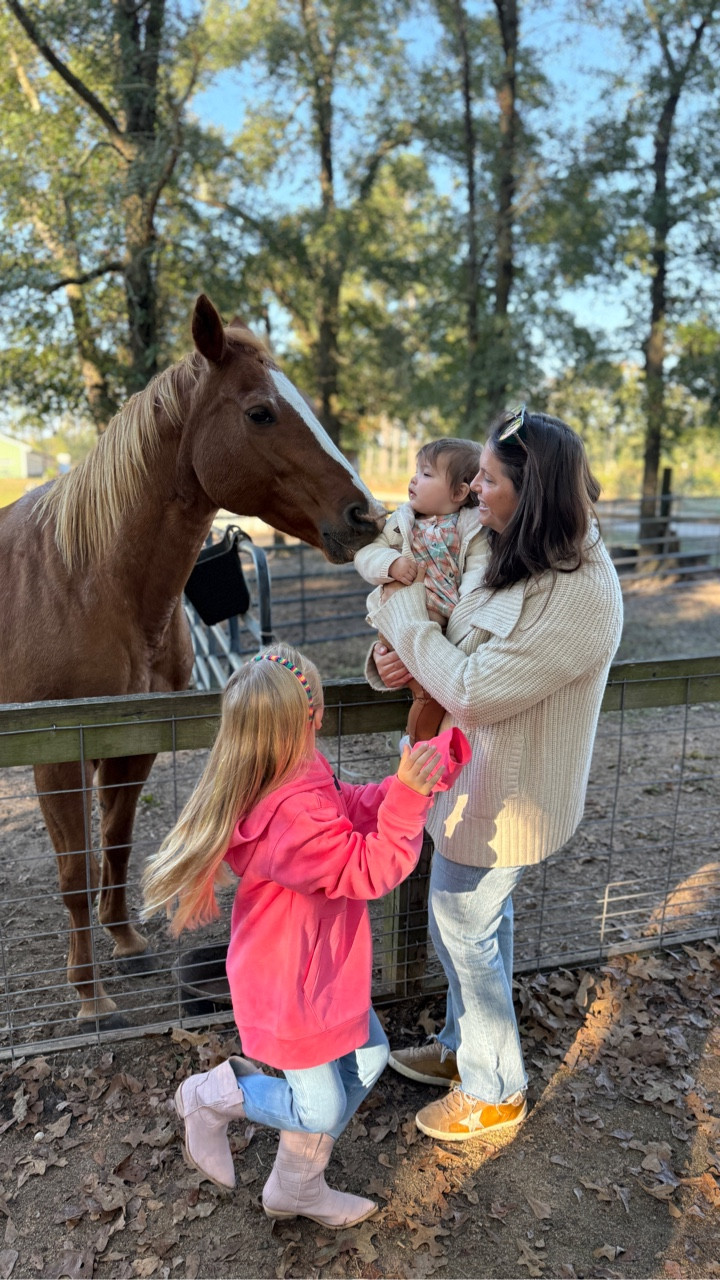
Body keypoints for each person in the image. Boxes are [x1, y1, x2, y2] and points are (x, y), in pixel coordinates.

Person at [363, 406, 623, 1142]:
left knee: (466, 929)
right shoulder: (505, 544)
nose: (474, 486)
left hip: (508, 801)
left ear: (531, 491)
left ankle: (493, 1089)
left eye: (489, 477)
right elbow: (452, 641)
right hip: (467, 787)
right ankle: (460, 1048)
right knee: (474, 928)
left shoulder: (579, 590)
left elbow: (472, 688)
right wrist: (394, 660)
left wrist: (404, 626)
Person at [142, 644, 470, 1225]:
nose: (322, 718)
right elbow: (368, 869)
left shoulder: (298, 767)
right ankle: (211, 1095)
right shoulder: (287, 817)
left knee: (367, 1060)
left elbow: (344, 807)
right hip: (289, 980)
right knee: (318, 1108)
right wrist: (409, 802)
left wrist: (399, 788)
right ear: (305, 717)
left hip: (322, 968)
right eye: (317, 707)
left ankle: (297, 1187)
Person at [354, 437, 485, 743]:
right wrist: (392, 563)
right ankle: (419, 745)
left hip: (441, 623)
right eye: (417, 471)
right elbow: (366, 554)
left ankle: (419, 745)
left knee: (431, 693)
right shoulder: (401, 523)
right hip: (399, 617)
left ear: (458, 492)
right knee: (422, 687)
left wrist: (465, 608)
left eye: (427, 474)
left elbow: (479, 572)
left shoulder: (473, 529)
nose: (414, 479)